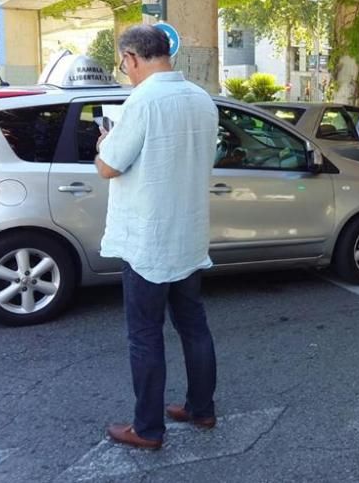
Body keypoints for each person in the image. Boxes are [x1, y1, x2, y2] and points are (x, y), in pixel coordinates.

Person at [95, 24, 220, 451]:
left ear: (131, 58)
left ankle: (147, 428)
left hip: (148, 241)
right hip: (188, 234)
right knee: (194, 326)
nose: (125, 71)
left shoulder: (141, 101)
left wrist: (104, 142)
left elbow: (109, 166)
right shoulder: (202, 100)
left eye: (123, 63)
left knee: (145, 334)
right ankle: (201, 408)